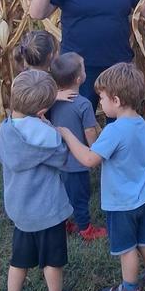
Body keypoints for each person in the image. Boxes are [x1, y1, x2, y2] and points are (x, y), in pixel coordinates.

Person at [59, 62, 145, 291]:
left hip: (122, 203)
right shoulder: (142, 123)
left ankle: (129, 289)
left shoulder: (114, 131)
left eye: (102, 98)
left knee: (127, 249)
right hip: (144, 198)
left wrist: (67, 134)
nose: (100, 103)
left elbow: (89, 159)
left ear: (116, 100)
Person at [0, 70, 74, 291]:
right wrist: (51, 126)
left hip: (20, 211)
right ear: (42, 111)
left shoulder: (6, 129)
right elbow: (62, 156)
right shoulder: (46, 134)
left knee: (19, 259)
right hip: (47, 211)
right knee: (52, 260)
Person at [48, 52, 105, 241]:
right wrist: (96, 151)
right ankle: (85, 229)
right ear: (80, 79)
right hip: (77, 161)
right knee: (80, 197)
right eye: (83, 66)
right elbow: (89, 131)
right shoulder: (83, 104)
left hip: (58, 159)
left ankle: (63, 223)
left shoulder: (51, 102)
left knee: (63, 194)